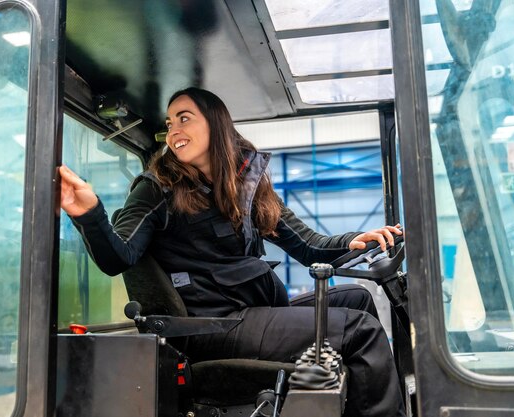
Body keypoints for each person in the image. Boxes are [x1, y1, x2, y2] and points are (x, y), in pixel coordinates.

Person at [60, 87, 405, 417]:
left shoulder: (247, 188)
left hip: (251, 311)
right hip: (211, 327)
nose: (173, 131)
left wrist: (357, 240)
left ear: (215, 123)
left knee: (357, 300)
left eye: (184, 118)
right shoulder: (158, 188)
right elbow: (118, 256)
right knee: (359, 331)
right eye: (169, 123)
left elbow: (308, 245)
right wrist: (90, 215)